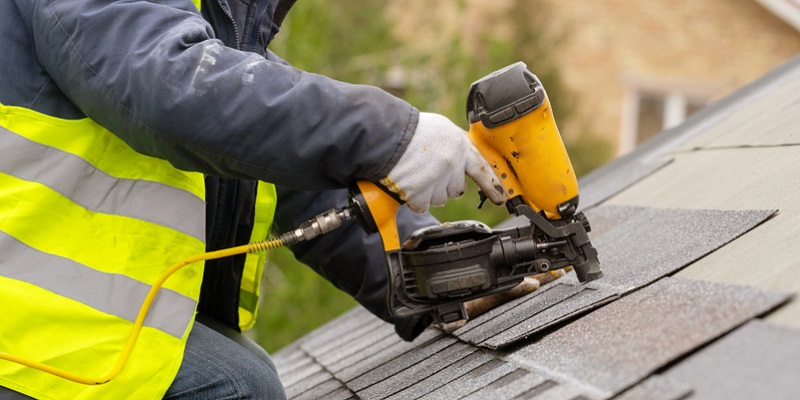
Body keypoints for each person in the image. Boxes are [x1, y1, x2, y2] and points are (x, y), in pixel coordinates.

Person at [0, 0, 510, 398]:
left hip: (59, 326)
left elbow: (289, 173)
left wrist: (434, 271)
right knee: (240, 387)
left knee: (247, 371)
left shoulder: (208, 23)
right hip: (19, 341)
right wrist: (389, 136)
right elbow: (175, 89)